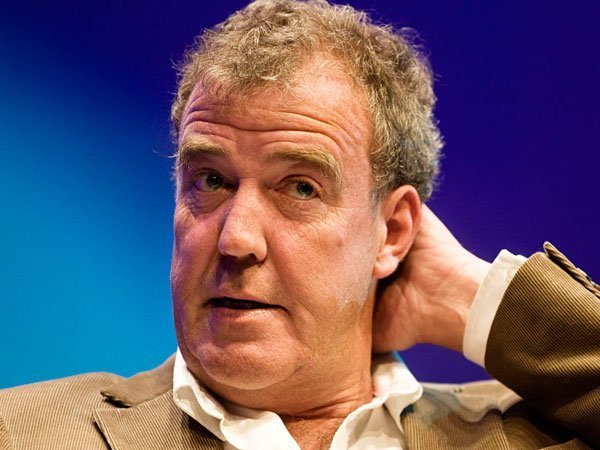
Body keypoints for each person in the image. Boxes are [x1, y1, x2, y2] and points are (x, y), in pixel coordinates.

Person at [1, 1, 598, 449]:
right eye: (210, 180)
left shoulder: (533, 435)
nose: (236, 239)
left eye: (300, 187)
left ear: (393, 232)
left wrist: (466, 299)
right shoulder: (23, 432)